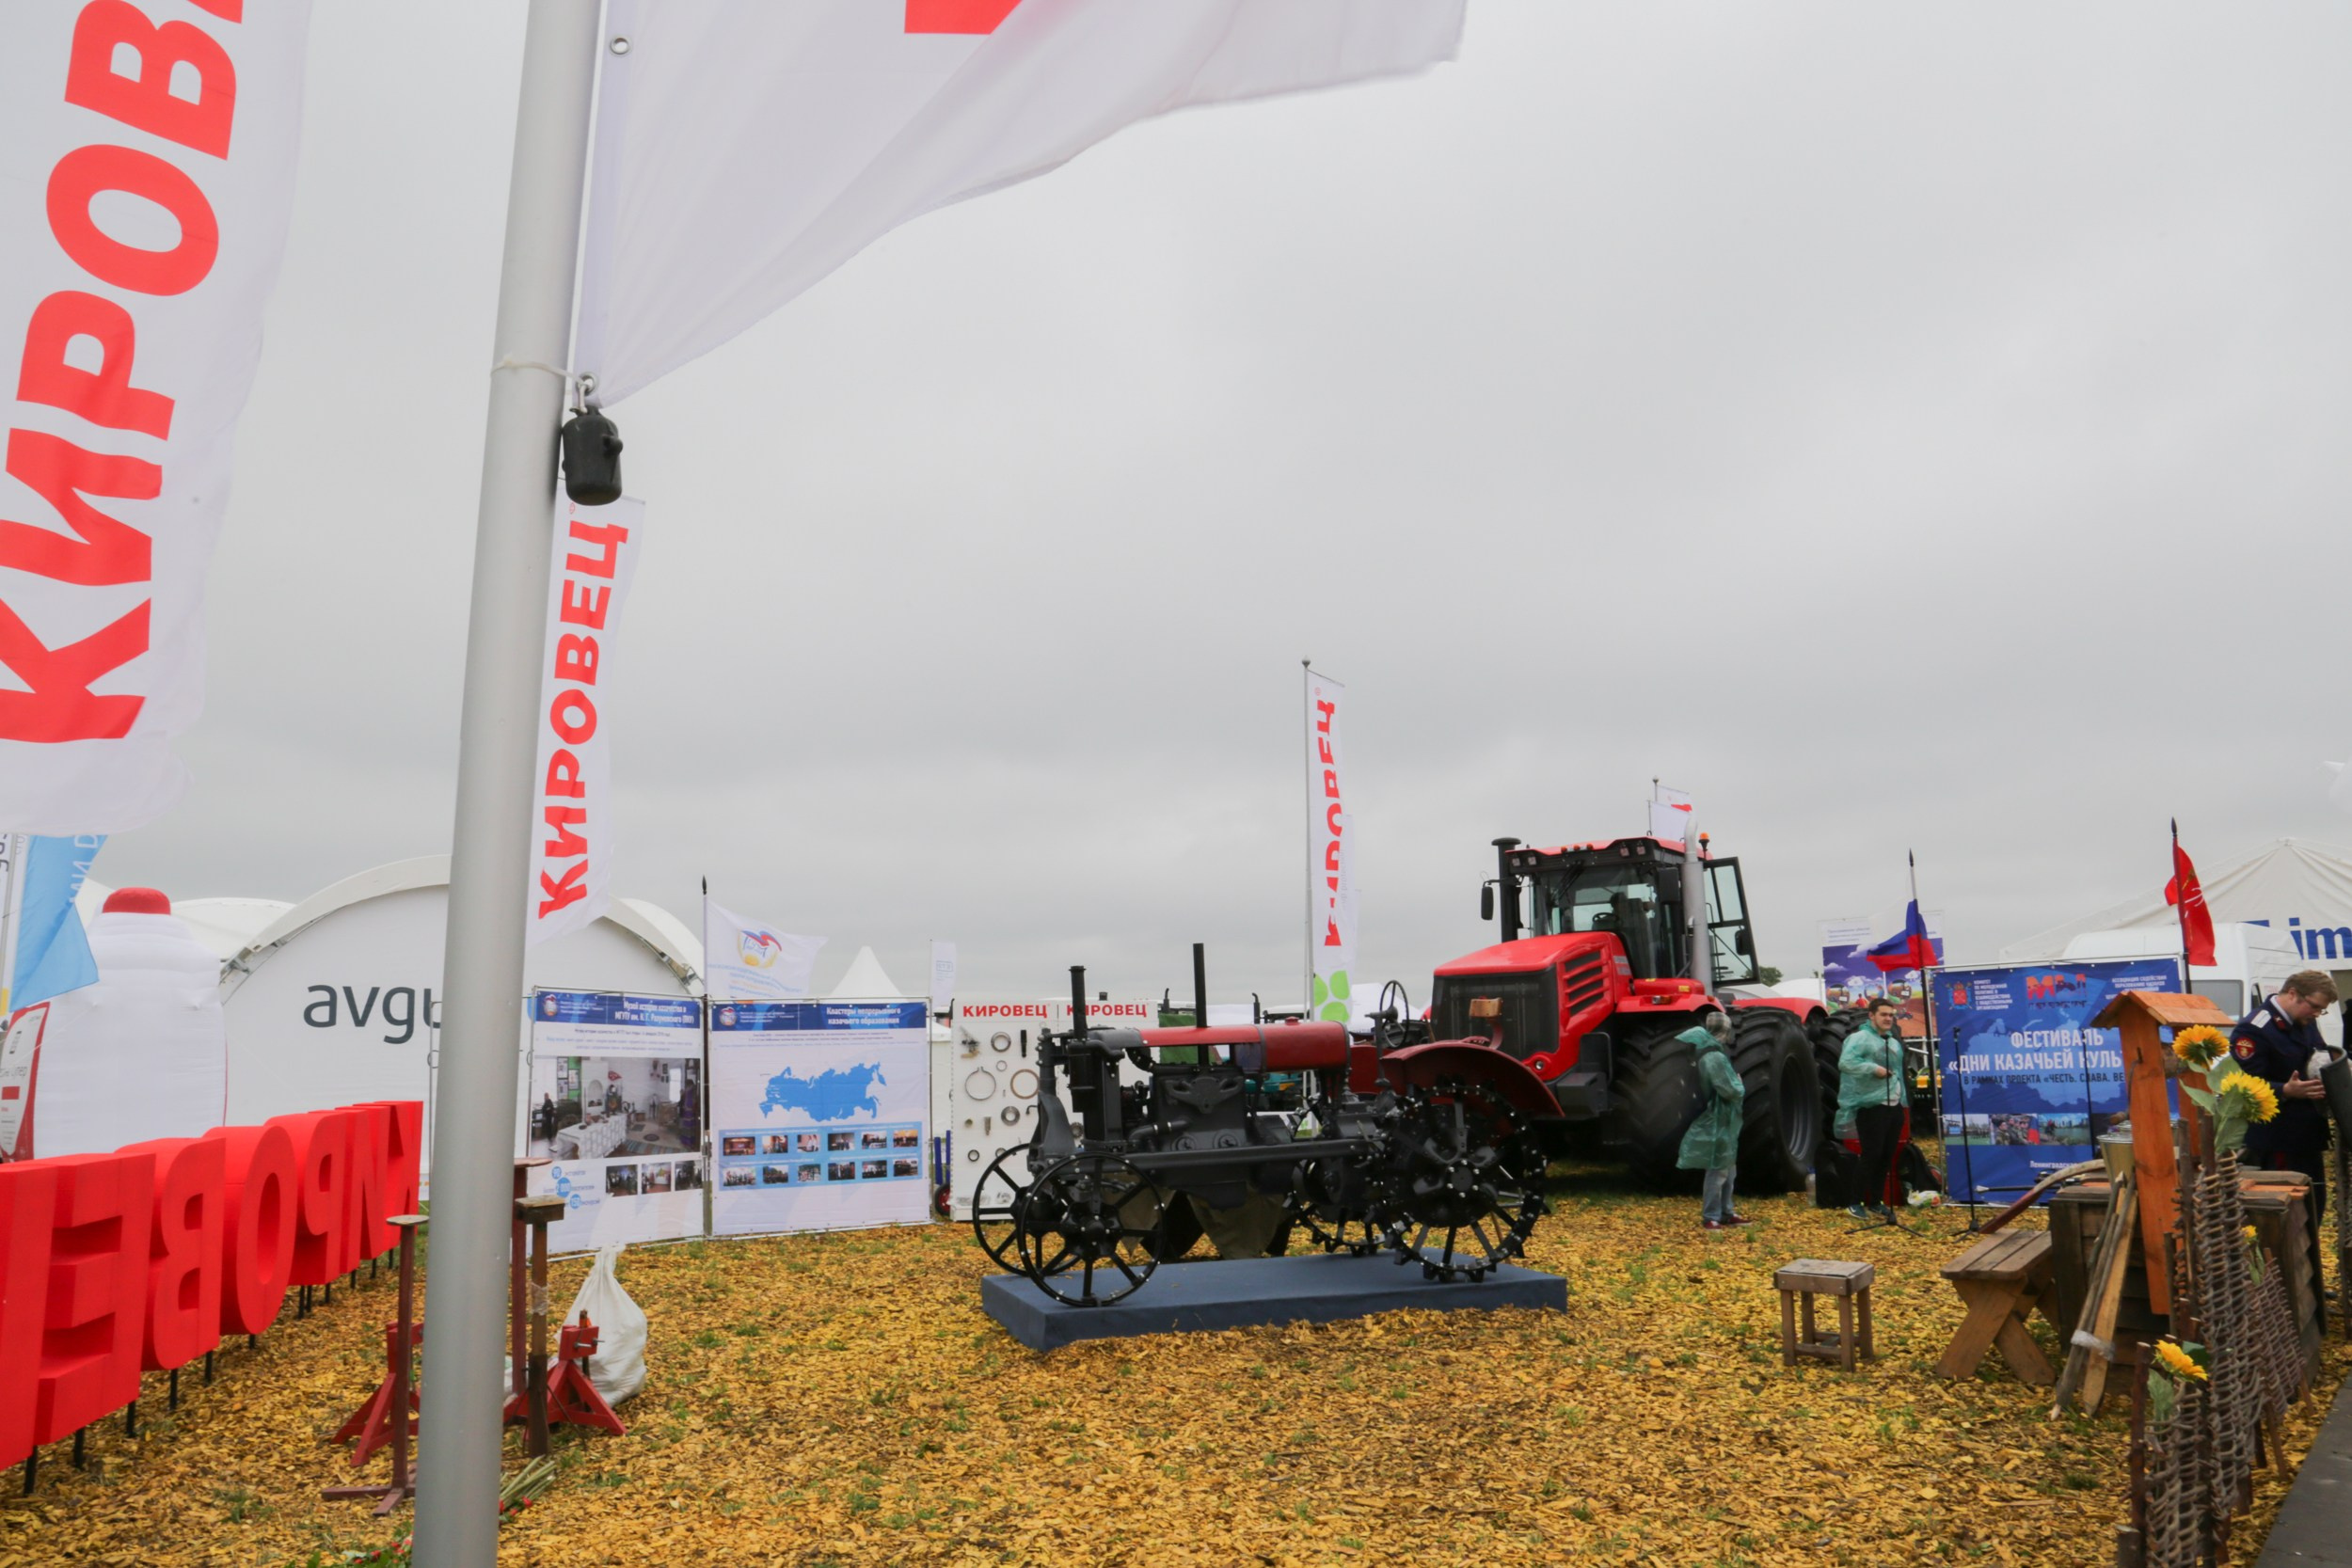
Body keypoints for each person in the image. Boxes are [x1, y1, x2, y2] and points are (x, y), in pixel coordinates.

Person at [2232, 969, 2339, 1284]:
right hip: (2278, 1139)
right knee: (2288, 1215)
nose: (2317, 1014)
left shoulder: (2304, 1020)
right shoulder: (2253, 1030)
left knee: (2314, 1208)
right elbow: (2247, 1086)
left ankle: (2308, 1281)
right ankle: (2285, 1284)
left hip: (2307, 1134)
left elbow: (2316, 1057)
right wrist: (2285, 1090)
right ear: (2292, 993)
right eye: (2314, 1006)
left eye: (2321, 1010)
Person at [1675, 1013, 1748, 1229]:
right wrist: (1740, 1084)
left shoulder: (1708, 1052)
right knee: (1718, 1169)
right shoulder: (1714, 1057)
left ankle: (1727, 1212)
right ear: (1724, 1030)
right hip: (1719, 1116)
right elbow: (1729, 1089)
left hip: (1725, 1117)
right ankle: (1712, 1216)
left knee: (1728, 1167)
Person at [1840, 997, 1907, 1220]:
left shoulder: (1892, 1042)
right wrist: (1872, 1068)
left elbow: (1897, 1071)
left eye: (1891, 1015)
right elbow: (1846, 1063)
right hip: (1871, 1105)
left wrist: (1903, 1101)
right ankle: (1854, 1201)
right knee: (1871, 1154)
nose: (1888, 1018)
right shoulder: (1859, 1038)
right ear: (1871, 1016)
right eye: (1883, 1015)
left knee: (1887, 1155)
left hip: (1893, 1103)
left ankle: (1876, 1201)